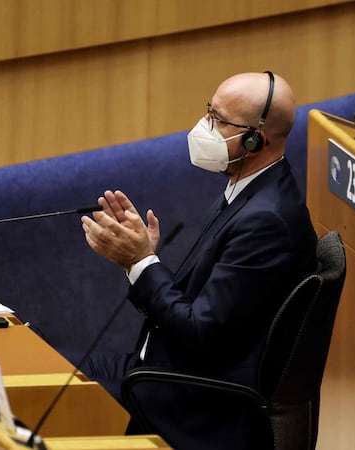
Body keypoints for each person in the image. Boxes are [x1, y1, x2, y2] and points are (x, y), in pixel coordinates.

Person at [81, 71, 318, 449]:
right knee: (44, 371)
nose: (204, 127)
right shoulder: (249, 190)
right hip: (161, 370)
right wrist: (143, 260)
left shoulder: (266, 221)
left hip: (190, 404)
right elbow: (210, 307)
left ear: (256, 140)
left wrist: (142, 263)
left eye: (219, 121)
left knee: (43, 398)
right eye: (209, 112)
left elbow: (200, 333)